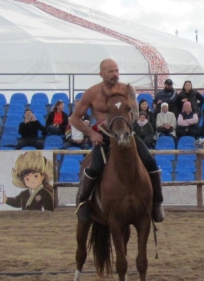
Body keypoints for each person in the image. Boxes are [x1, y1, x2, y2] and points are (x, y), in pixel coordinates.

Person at [68, 59, 164, 222]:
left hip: (127, 133)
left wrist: (121, 121)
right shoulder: (92, 93)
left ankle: (156, 204)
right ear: (101, 74)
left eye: (117, 71)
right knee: (94, 168)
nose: (115, 75)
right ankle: (84, 203)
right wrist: (92, 134)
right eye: (111, 71)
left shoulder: (127, 89)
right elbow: (74, 118)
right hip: (104, 137)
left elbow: (133, 111)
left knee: (150, 162)